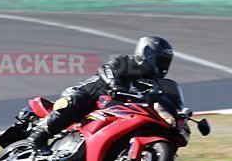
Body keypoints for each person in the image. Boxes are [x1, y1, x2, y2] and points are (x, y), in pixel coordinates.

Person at [27, 35, 174, 150]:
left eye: (165, 62)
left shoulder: (150, 84)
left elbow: (157, 100)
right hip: (89, 95)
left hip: (112, 112)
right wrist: (114, 85)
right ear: (147, 54)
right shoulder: (128, 63)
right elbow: (107, 68)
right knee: (74, 102)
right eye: (160, 61)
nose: (162, 66)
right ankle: (37, 137)